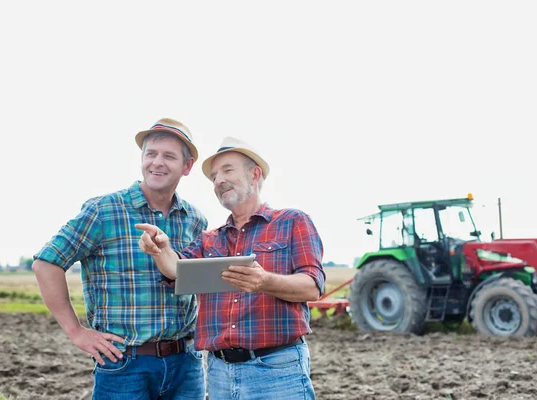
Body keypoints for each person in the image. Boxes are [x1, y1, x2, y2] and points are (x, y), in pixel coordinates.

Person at [32, 118, 208, 400]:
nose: (157, 162)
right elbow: (46, 263)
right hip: (124, 364)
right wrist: (76, 331)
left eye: (169, 156)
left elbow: (199, 283)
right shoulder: (104, 211)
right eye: (151, 154)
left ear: (186, 167)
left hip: (185, 365)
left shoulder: (195, 219)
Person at [136, 136, 325, 400]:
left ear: (254, 174)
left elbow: (312, 287)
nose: (218, 181)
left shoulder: (293, 221)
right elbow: (176, 270)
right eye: (214, 176)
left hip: (276, 370)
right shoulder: (210, 239)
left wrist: (264, 282)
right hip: (219, 372)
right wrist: (161, 249)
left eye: (227, 170)